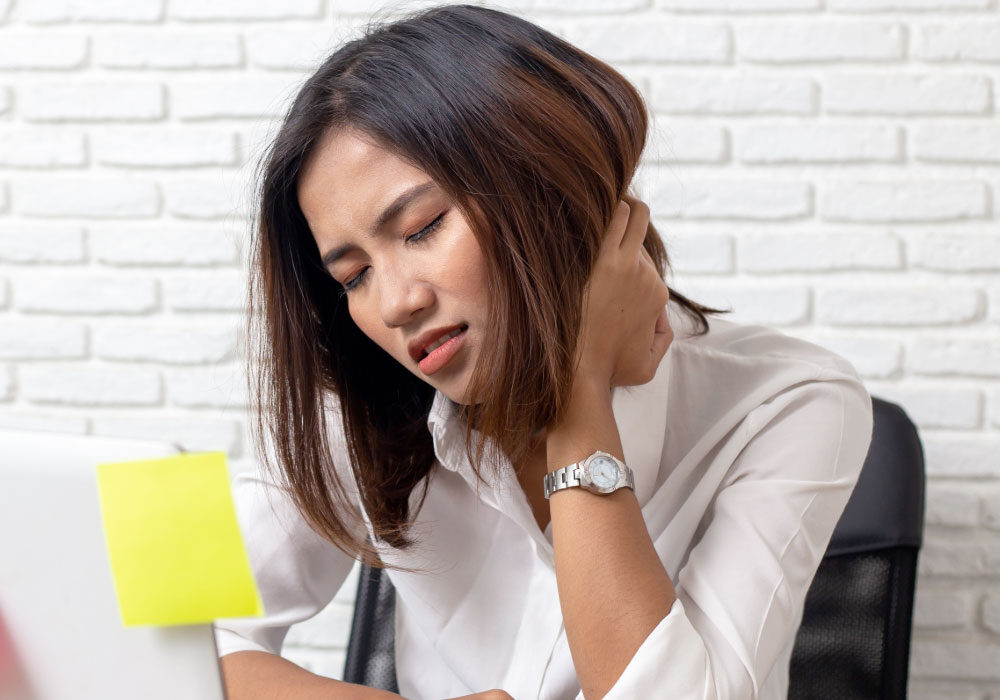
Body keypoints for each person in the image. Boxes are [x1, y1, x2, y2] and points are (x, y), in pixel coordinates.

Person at [214, 4, 874, 699]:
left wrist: (578, 396)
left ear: (547, 184)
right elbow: (155, 628)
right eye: (354, 276)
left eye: (423, 226)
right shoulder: (352, 402)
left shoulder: (796, 402)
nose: (394, 304)